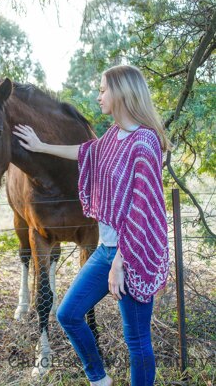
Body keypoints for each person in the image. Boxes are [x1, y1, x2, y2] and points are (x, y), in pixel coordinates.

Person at [13, 65, 170, 386]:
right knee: (68, 314)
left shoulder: (145, 142)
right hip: (107, 251)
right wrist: (41, 146)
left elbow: (141, 211)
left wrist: (120, 264)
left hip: (133, 255)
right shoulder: (113, 135)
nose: (98, 95)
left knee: (137, 341)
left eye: (103, 90)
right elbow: (86, 152)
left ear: (122, 93)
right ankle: (99, 379)